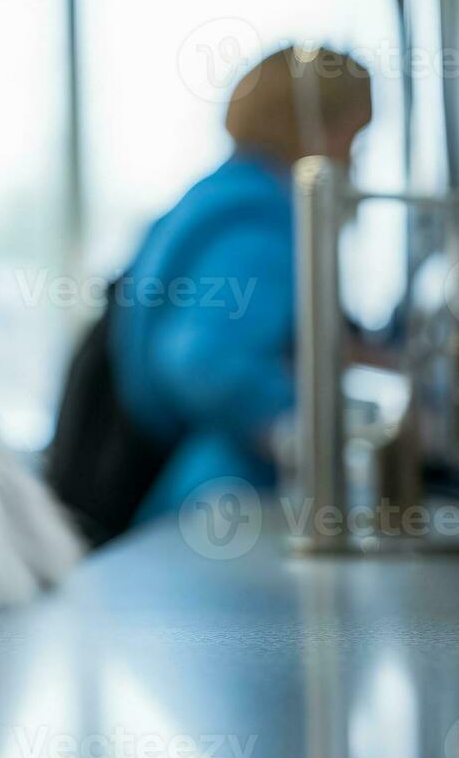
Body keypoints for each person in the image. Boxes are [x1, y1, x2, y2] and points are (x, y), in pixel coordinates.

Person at [109, 47, 374, 524]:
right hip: (225, 499)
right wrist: (309, 431)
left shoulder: (218, 200)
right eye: (354, 135)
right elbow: (202, 358)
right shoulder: (258, 220)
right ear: (313, 127)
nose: (355, 156)